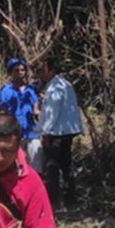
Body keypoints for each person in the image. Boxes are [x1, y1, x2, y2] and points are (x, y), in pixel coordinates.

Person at [35, 56, 83, 207]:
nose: (41, 73)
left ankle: (53, 200)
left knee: (52, 166)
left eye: (43, 69)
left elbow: (52, 112)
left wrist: (46, 132)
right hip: (67, 131)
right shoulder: (65, 84)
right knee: (66, 164)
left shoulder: (56, 87)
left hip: (57, 133)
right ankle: (70, 198)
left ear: (51, 70)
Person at [0, 58, 41, 168]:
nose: (20, 73)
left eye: (22, 70)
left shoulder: (30, 89)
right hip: (15, 133)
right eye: (16, 70)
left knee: (36, 165)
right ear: (11, 72)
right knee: (17, 165)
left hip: (32, 133)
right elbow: (3, 111)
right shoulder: (6, 90)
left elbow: (36, 108)